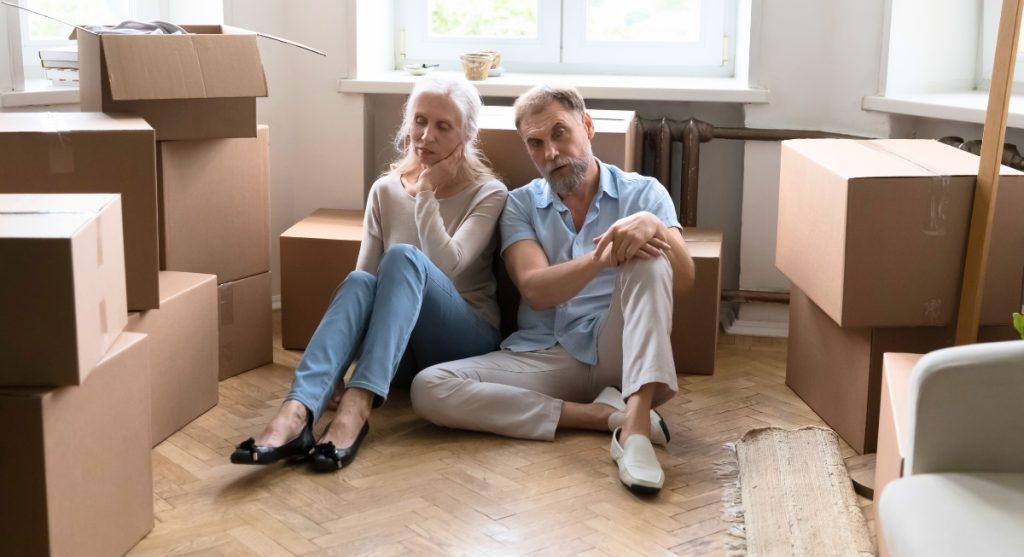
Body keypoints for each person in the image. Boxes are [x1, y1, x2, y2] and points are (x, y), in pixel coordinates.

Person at [411, 85, 695, 494]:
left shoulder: (643, 193)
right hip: (546, 355)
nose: (551, 153)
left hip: (620, 350)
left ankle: (634, 432)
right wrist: (602, 258)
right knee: (429, 388)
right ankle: (603, 416)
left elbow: (684, 279)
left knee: (650, 256)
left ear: (587, 126)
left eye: (559, 133)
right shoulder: (519, 204)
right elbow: (535, 290)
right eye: (536, 143)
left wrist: (654, 226)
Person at [231, 75, 507, 471]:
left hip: (461, 344)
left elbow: (447, 264)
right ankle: (297, 411)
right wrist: (336, 366)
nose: (425, 135)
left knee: (405, 258)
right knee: (361, 281)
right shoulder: (385, 190)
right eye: (419, 120)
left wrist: (426, 191)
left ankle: (357, 408)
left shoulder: (489, 193)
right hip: (396, 355)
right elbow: (364, 286)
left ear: (468, 134)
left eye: (443, 126)